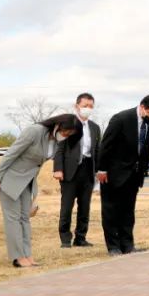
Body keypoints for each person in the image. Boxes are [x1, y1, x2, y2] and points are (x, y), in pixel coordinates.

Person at [0, 114, 80, 268]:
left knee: (25, 218)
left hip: (27, 181)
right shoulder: (34, 131)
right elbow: (12, 153)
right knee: (13, 219)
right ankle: (17, 257)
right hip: (10, 178)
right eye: (65, 133)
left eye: (69, 135)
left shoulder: (55, 141)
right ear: (58, 125)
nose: (65, 136)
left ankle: (27, 255)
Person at [97, 95, 149, 256]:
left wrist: (143, 170)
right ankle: (113, 246)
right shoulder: (121, 119)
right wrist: (102, 169)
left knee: (128, 211)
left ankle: (127, 245)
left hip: (135, 174)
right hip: (113, 173)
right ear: (142, 107)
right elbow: (106, 145)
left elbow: (147, 149)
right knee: (111, 210)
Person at [53, 93, 101, 247]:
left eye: (90, 106)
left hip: (88, 170)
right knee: (67, 206)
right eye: (84, 106)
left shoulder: (95, 128)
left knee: (85, 206)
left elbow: (97, 150)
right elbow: (59, 149)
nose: (87, 109)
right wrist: (58, 169)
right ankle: (65, 239)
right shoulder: (67, 124)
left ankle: (80, 237)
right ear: (76, 106)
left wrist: (99, 170)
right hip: (69, 171)